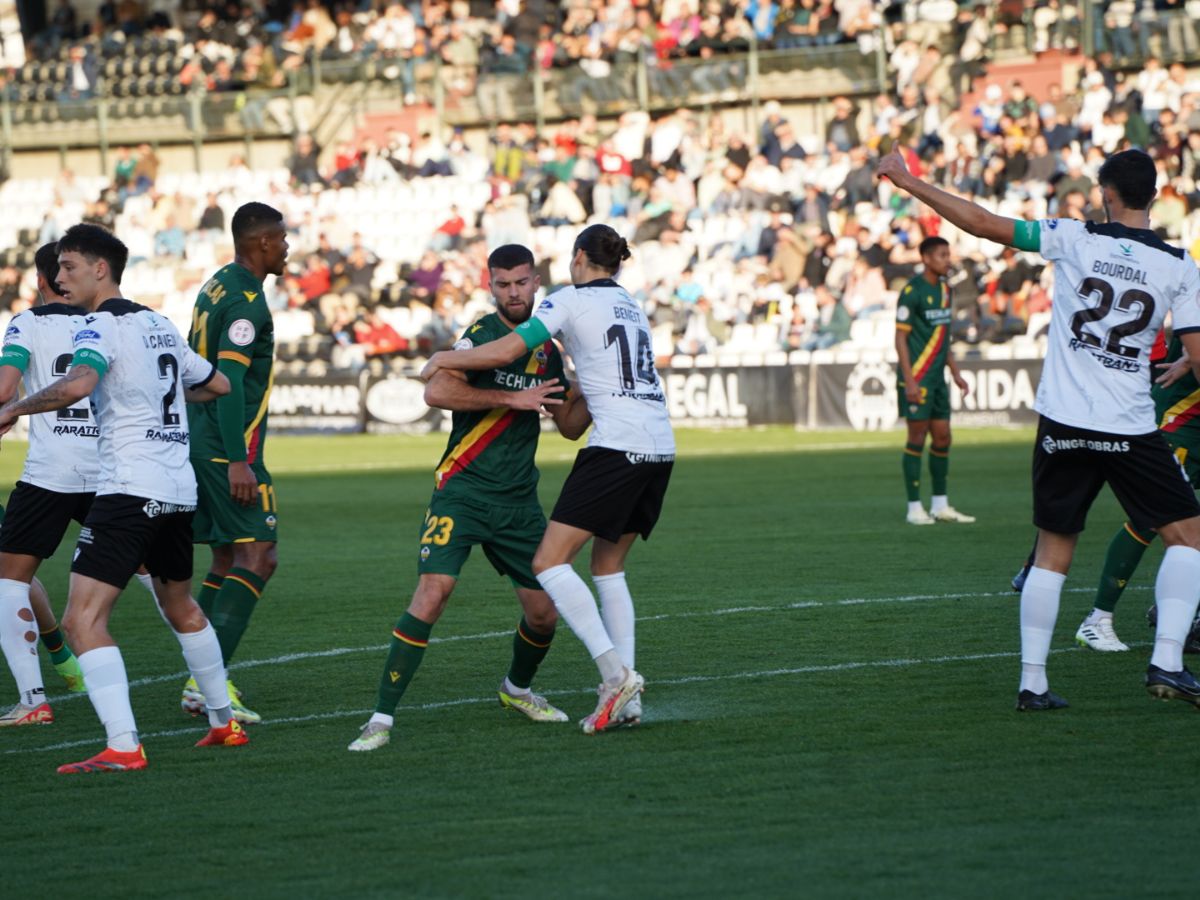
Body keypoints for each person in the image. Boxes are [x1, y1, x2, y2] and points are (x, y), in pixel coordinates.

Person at [878, 147, 1200, 712]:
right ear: (1154, 196)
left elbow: (980, 222)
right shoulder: (1179, 266)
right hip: (1128, 423)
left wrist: (908, 181)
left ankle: (1033, 683)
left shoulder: (1071, 237)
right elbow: (1198, 353)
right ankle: (1168, 662)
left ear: (1106, 193)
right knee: (1191, 539)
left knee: (1053, 550)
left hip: (1064, 419)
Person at [0, 224, 245, 774]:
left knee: (82, 620)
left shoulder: (98, 325)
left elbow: (77, 385)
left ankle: (123, 745)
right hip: (177, 491)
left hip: (129, 489)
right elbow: (216, 384)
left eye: (68, 268)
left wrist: (15, 408)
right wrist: (156, 391)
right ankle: (223, 722)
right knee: (180, 606)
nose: (59, 279)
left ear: (99, 269)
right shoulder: (156, 322)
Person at [421, 224, 675, 734]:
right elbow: (571, 424)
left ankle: (615, 676)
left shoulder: (568, 300)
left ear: (578, 258)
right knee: (609, 568)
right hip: (660, 445)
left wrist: (442, 357)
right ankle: (626, 700)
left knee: (548, 563)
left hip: (618, 447)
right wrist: (577, 385)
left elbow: (504, 353)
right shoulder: (631, 304)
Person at [348, 244, 592, 752]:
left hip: (518, 502)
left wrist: (593, 385)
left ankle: (516, 690)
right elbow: (435, 391)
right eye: (503, 284)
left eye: (522, 283)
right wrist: (512, 398)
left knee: (545, 613)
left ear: (536, 282)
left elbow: (568, 428)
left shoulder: (546, 348)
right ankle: (380, 720)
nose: (514, 292)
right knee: (433, 594)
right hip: (461, 490)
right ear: (491, 286)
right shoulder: (481, 335)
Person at [182, 203, 289, 725]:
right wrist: (237, 462)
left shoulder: (217, 284)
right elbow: (225, 385)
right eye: (283, 239)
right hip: (228, 449)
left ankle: (199, 677)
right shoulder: (247, 304)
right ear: (264, 243)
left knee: (225, 560)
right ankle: (209, 682)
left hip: (199, 442)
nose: (288, 247)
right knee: (259, 557)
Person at [0, 243, 92, 726]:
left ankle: (34, 699)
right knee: (158, 578)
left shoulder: (27, 323)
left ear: (41, 280)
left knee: (9, 577)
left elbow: (3, 390)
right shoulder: (105, 321)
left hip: (52, 472)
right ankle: (206, 685)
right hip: (111, 471)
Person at [894, 237, 975, 526]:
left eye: (948, 254)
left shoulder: (945, 290)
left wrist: (954, 372)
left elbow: (944, 336)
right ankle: (914, 508)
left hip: (938, 377)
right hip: (917, 376)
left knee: (943, 437)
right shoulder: (912, 291)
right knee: (916, 438)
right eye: (942, 255)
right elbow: (900, 338)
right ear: (926, 258)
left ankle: (940, 505)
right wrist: (909, 380)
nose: (947, 260)